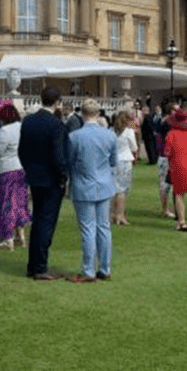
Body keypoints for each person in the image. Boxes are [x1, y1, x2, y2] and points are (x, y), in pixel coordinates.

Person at [19, 86, 73, 280]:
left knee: (38, 221)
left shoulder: (28, 121)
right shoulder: (56, 125)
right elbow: (58, 157)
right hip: (51, 179)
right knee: (46, 223)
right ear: (57, 101)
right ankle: (40, 267)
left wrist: (30, 169)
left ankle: (34, 265)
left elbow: (22, 151)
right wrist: (62, 176)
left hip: (35, 177)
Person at [67, 99, 116, 283]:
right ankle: (104, 268)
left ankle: (88, 270)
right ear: (98, 114)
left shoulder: (75, 136)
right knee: (103, 228)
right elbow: (113, 161)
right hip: (103, 184)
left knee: (88, 229)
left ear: (82, 114)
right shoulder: (109, 135)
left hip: (83, 185)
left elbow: (69, 161)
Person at [0, 102, 30, 252]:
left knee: (4, 204)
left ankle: (7, 238)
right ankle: (21, 237)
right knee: (18, 203)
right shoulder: (22, 127)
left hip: (4, 170)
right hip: (19, 167)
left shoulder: (4, 131)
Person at [110, 110, 140, 227]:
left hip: (113, 161)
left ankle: (113, 213)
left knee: (114, 188)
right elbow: (134, 147)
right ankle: (120, 215)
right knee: (122, 190)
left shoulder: (111, 131)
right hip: (125, 160)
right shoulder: (129, 132)